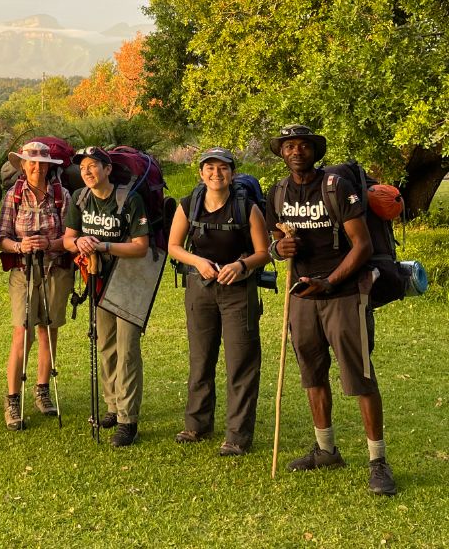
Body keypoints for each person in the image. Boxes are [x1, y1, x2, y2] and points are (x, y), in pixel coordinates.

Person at [266, 124, 396, 495]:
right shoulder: (277, 191)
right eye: (289, 146)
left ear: (314, 151)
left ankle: (378, 462)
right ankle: (326, 451)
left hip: (343, 295)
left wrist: (331, 281)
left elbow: (362, 245)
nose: (295, 151)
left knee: (359, 377)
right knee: (312, 374)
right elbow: (277, 238)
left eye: (303, 145)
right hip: (302, 297)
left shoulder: (336, 188)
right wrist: (280, 249)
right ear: (281, 153)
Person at [167, 147, 270, 456]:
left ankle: (237, 436)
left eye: (222, 168)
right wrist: (197, 262)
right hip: (200, 287)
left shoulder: (247, 208)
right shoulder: (189, 205)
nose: (216, 173)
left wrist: (241, 266)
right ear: (201, 173)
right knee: (201, 358)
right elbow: (173, 245)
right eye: (209, 168)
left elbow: (263, 252)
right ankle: (197, 425)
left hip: (239, 291)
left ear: (232, 173)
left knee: (241, 361)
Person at [62, 147, 150, 447]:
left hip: (128, 281)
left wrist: (103, 247)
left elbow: (141, 246)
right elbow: (68, 239)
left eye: (93, 166)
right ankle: (112, 405)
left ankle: (128, 419)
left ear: (108, 169)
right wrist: (80, 241)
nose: (87, 172)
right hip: (97, 280)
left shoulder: (129, 200)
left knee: (127, 350)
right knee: (106, 345)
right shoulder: (79, 198)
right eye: (83, 167)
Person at [0, 141, 73, 430]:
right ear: (23, 166)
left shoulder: (61, 195)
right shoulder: (13, 196)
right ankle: (13, 399)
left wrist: (50, 243)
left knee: (48, 330)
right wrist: (19, 246)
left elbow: (69, 238)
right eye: (32, 162)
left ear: (50, 166)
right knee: (22, 331)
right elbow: (0, 236)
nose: (37, 167)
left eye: (42, 163)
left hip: (55, 269)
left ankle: (42, 390)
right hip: (22, 271)